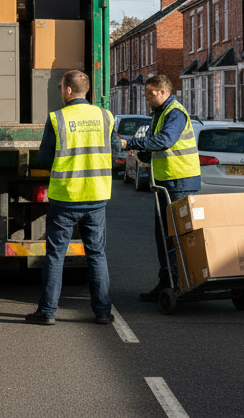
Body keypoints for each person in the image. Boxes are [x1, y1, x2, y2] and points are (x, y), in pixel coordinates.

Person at [26, 70, 115, 326]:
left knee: (56, 256)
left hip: (65, 197)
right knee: (96, 254)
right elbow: (115, 148)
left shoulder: (57, 119)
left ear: (67, 90)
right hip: (96, 196)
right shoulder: (105, 117)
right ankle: (102, 312)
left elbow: (44, 159)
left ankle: (47, 312)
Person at [120, 73, 201, 302]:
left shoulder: (174, 113)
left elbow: (165, 141)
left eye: (150, 93)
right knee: (164, 236)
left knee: (176, 236)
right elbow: (157, 146)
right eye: (146, 93)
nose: (147, 97)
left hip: (180, 182)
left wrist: (131, 142)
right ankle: (168, 282)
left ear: (163, 92)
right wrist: (142, 152)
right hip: (168, 182)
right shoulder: (160, 113)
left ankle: (180, 283)